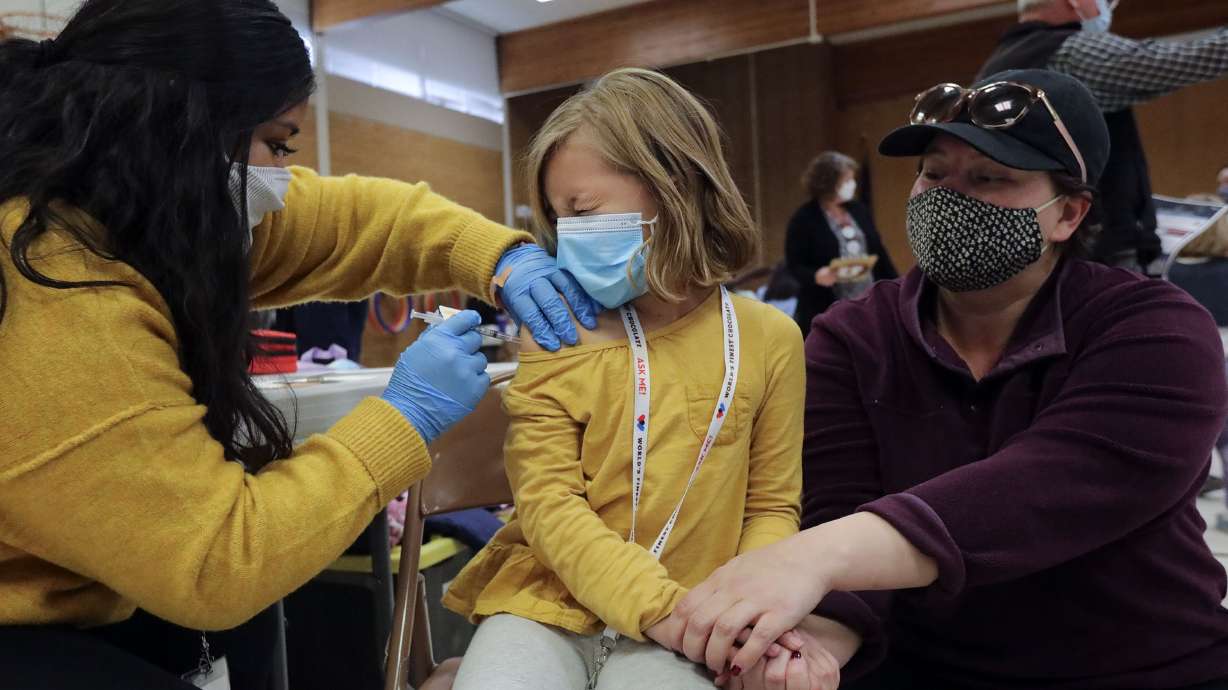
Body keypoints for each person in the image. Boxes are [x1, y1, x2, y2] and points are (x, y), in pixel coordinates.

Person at [0, 1, 601, 688]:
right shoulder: (55, 295)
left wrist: (495, 253)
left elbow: (361, 220)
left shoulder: (145, 211)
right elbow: (219, 559)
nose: (283, 183)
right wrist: (402, 419)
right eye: (279, 145)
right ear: (183, 128)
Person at [665, 69, 1228, 690]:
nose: (951, 197)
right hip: (928, 668)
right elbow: (837, 507)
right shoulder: (853, 336)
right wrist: (815, 644)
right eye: (934, 174)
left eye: (990, 177)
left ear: (1068, 212)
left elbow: (1050, 487)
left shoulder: (1158, 330)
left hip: (1145, 666)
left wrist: (813, 558)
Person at [441, 68, 811, 690]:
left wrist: (748, 616)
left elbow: (771, 506)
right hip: (548, 607)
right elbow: (548, 506)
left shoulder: (770, 340)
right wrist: (657, 609)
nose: (566, 239)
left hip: (696, 613)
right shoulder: (557, 332)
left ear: (676, 185)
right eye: (558, 219)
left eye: (584, 210)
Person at [978, 0, 1228, 272]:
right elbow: (1187, 61)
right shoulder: (1070, 51)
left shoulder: (994, 70)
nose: (1107, 8)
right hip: (1101, 250)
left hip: (1034, 254)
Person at [785, 152, 898, 332]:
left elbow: (878, 251)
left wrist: (897, 286)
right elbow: (794, 265)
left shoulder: (858, 210)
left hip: (867, 300)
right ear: (828, 182)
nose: (852, 185)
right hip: (825, 303)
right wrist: (816, 275)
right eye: (846, 180)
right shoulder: (804, 218)